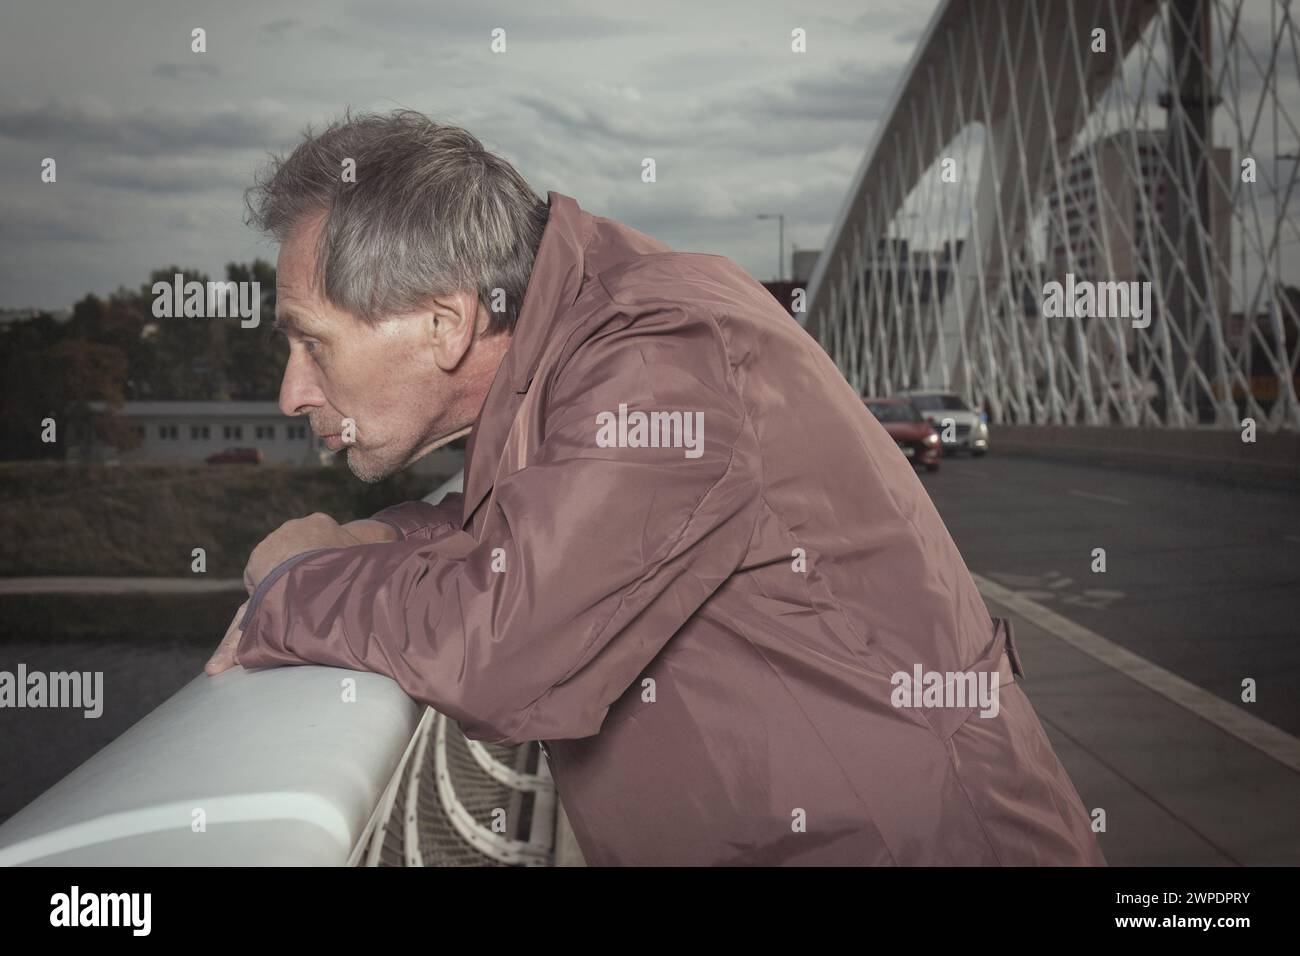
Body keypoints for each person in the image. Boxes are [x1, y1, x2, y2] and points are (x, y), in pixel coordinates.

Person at [205, 109, 1105, 867]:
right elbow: (538, 529)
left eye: (311, 343)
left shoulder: (659, 346)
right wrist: (381, 541)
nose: (293, 391)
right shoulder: (583, 344)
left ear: (445, 322)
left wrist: (296, 582)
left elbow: (503, 645)